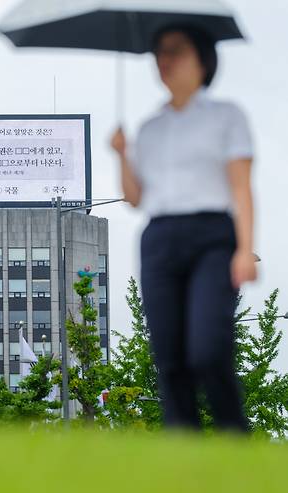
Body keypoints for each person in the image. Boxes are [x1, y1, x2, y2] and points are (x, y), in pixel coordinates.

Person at [111, 25, 256, 431]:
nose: (165, 60)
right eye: (159, 52)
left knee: (208, 349)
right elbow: (136, 197)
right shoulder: (151, 127)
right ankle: (184, 460)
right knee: (170, 359)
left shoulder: (227, 116)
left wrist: (245, 249)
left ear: (203, 59)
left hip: (213, 236)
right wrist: (122, 155)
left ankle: (234, 438)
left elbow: (242, 187)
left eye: (176, 51)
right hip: (159, 239)